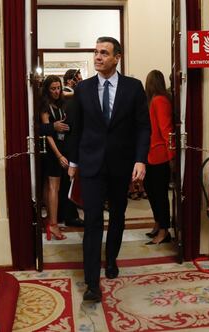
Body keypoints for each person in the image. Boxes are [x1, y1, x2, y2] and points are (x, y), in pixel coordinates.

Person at [68, 36, 150, 303]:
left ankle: (111, 258)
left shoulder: (133, 87)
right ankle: (92, 283)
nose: (98, 57)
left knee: (117, 216)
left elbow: (142, 127)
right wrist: (73, 163)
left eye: (104, 53)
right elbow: (75, 130)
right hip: (91, 165)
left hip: (121, 164)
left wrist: (140, 160)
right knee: (92, 221)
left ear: (117, 57)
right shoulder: (83, 89)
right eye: (96, 52)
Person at [143, 70, 175, 245]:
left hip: (161, 155)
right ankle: (158, 224)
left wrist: (172, 157)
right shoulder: (154, 100)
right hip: (152, 155)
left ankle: (164, 230)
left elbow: (166, 130)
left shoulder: (159, 100)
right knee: (152, 191)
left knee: (160, 194)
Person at [40, 75, 68, 240]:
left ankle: (51, 220)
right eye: (53, 88)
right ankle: (54, 225)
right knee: (53, 187)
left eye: (58, 88)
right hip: (52, 152)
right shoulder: (45, 106)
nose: (56, 91)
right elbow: (47, 132)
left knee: (49, 186)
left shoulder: (60, 104)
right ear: (47, 90)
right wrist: (58, 155)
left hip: (61, 147)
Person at [57, 69, 84, 228]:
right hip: (68, 142)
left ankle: (65, 213)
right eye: (77, 79)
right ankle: (69, 215)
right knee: (68, 182)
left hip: (65, 141)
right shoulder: (70, 97)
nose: (79, 81)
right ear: (70, 80)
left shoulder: (68, 96)